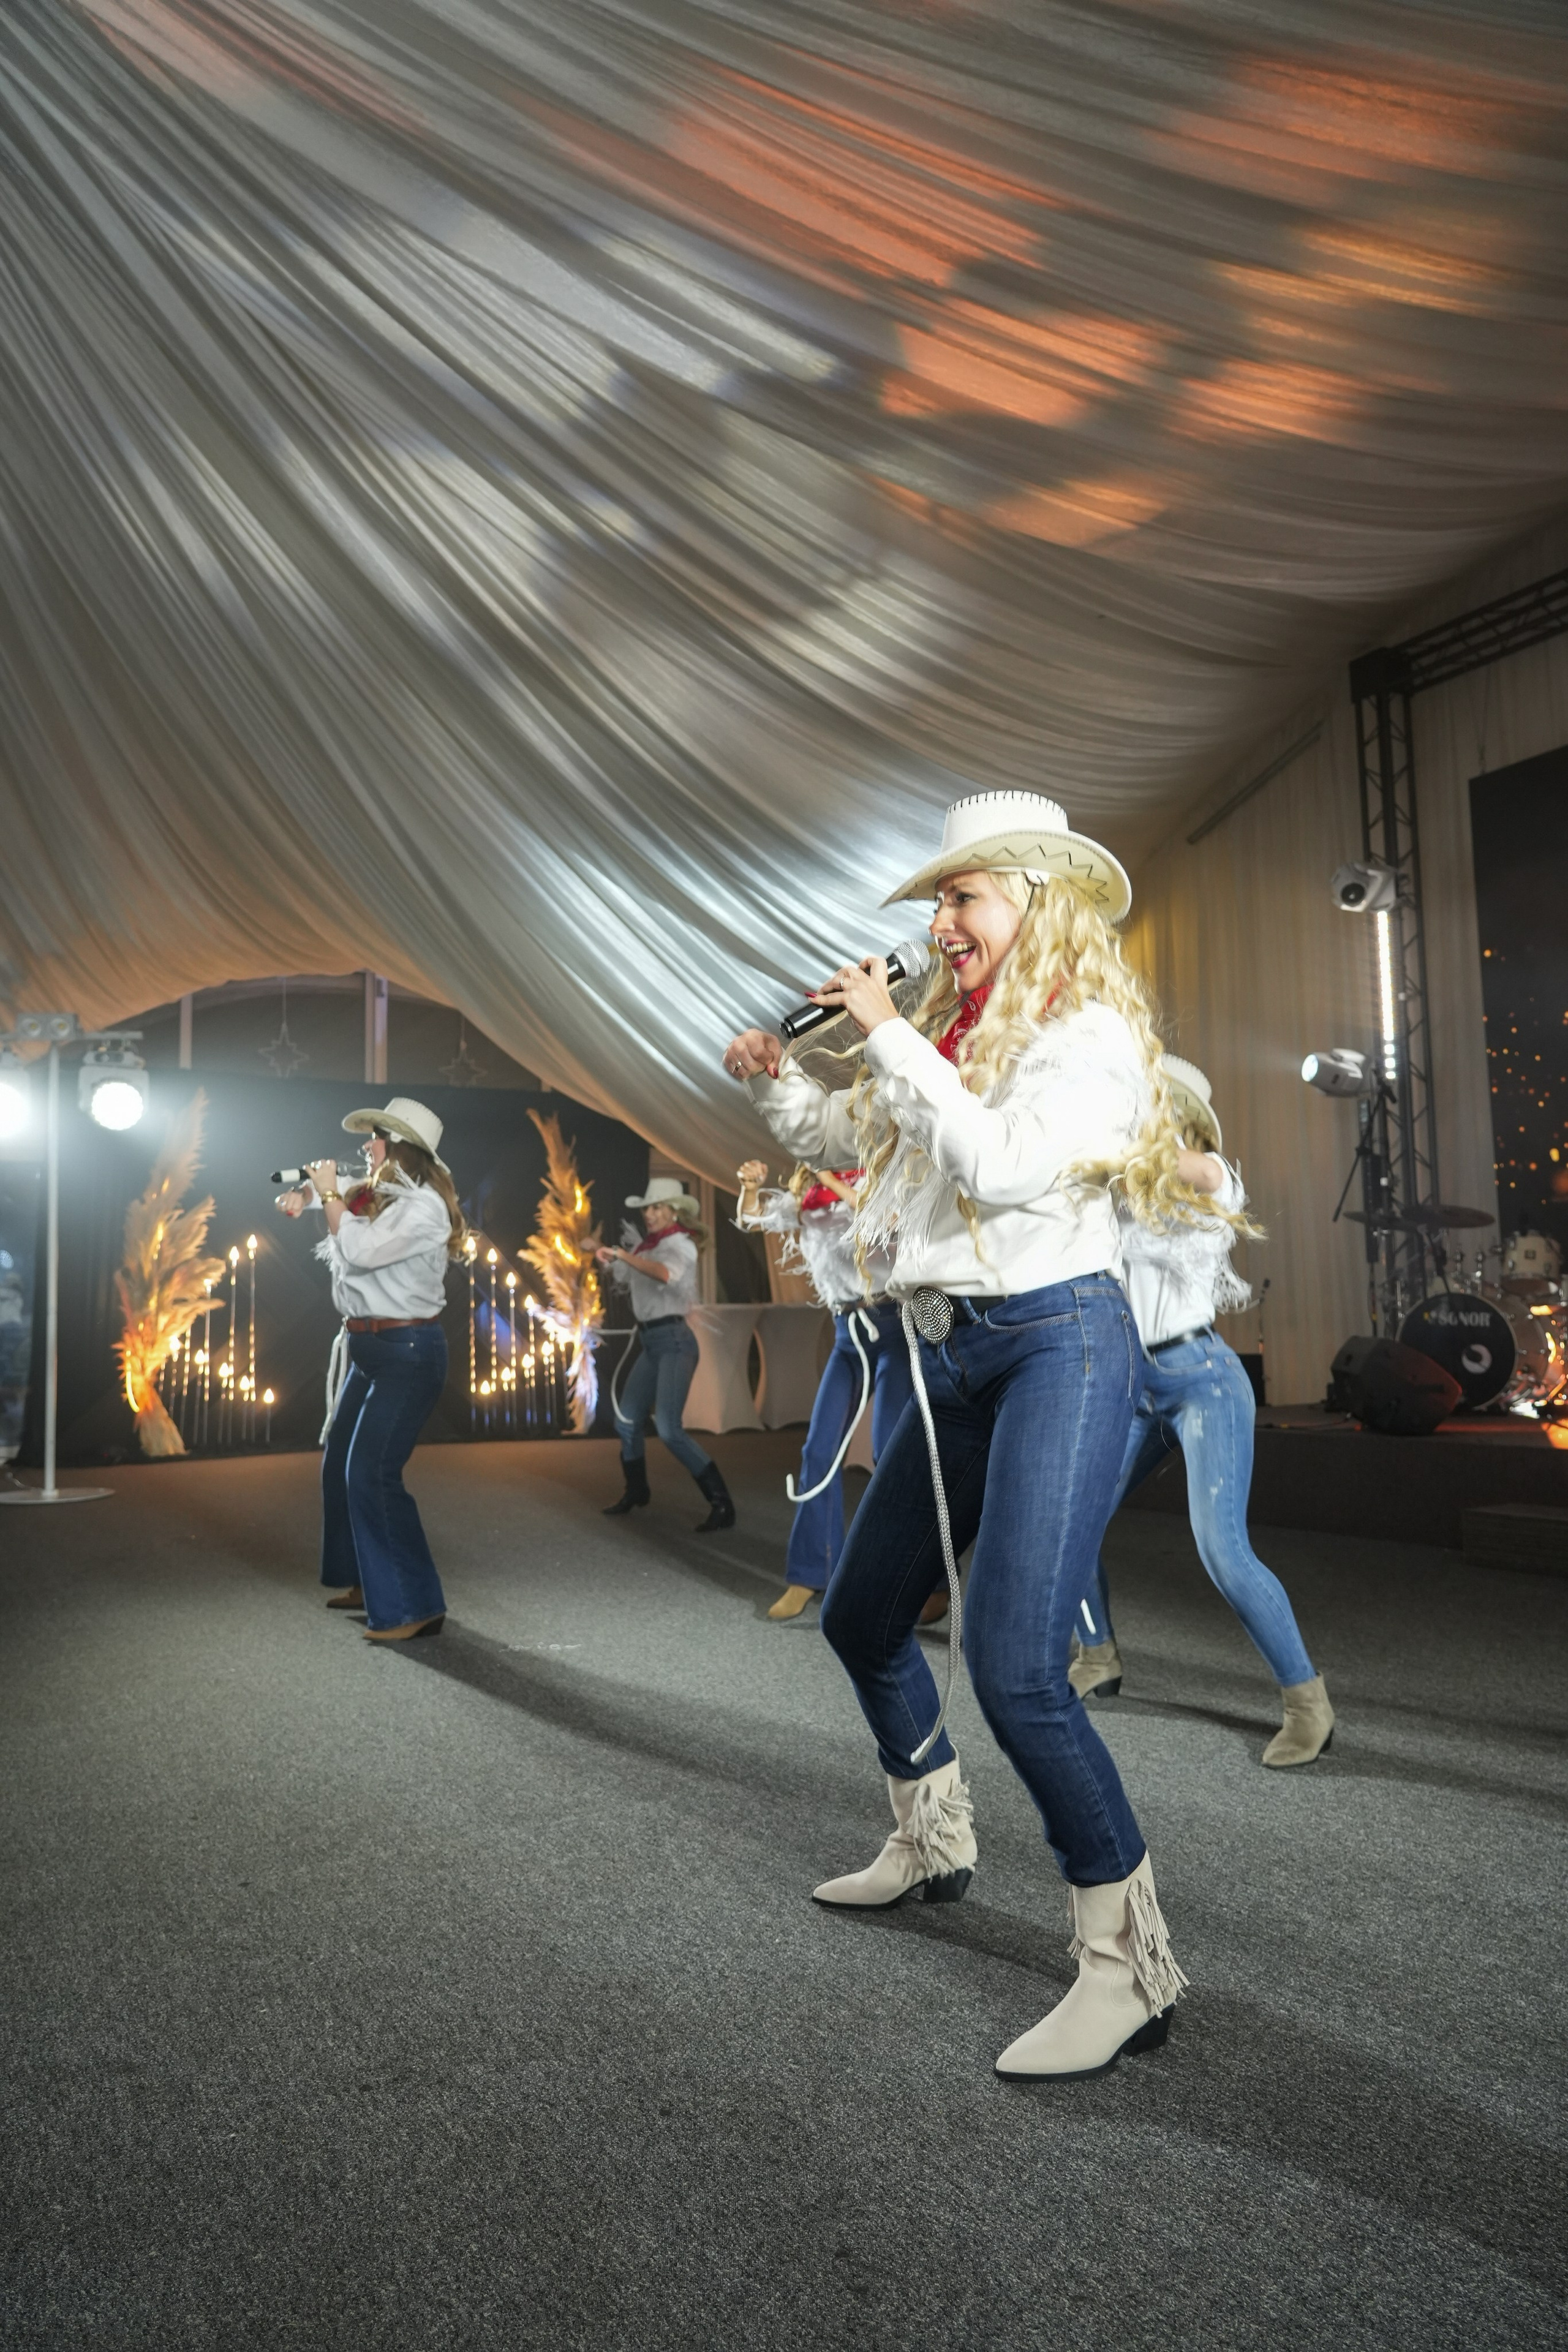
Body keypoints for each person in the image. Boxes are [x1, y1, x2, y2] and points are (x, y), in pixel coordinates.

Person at [723, 789, 1202, 2082]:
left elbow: (994, 1167)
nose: (938, 925)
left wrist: (885, 1033)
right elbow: (858, 1146)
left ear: (1031, 902)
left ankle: (1126, 1969)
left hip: (1058, 1340)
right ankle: (931, 1839)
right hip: (949, 1350)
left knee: (1017, 1670)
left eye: (959, 897)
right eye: (938, 901)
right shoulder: (951, 1031)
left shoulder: (1090, 1038)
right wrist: (786, 1087)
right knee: (861, 1616)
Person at [1071, 1057, 1335, 1768]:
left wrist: (1126, 1145)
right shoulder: (1113, 1196)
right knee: (1069, 1524)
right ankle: (1096, 1654)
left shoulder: (1209, 1173)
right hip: (1133, 1385)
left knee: (1222, 1551)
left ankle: (1306, 1701)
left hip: (1203, 1379)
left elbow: (1195, 1173)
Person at [276, 1096, 464, 1642]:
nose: (366, 1146)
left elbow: (358, 1250)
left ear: (400, 1147)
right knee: (339, 1466)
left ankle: (413, 1604)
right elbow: (339, 1196)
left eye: (375, 1136)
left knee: (372, 1473)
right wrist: (305, 1193)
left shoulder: (425, 1207)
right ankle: (366, 1579)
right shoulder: (380, 1192)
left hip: (408, 1352)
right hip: (368, 1349)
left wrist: (330, 1192)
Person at [734, 1157, 935, 1624]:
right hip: (847, 1329)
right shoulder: (810, 1192)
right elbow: (752, 1218)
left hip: (894, 1326)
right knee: (818, 1450)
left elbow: (884, 1220)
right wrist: (749, 1187)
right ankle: (809, 1573)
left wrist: (828, 1178)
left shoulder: (889, 1175)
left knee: (892, 1455)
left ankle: (920, 1580)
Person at [597, 1178, 736, 1533]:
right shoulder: (647, 1246)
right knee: (626, 1421)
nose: (650, 1213)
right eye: (647, 1208)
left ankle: (722, 1503)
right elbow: (628, 1276)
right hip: (652, 1342)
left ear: (674, 1211)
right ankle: (637, 1490)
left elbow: (664, 1275)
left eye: (657, 1207)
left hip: (674, 1340)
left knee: (670, 1430)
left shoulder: (681, 1245)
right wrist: (606, 1256)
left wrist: (623, 1255)